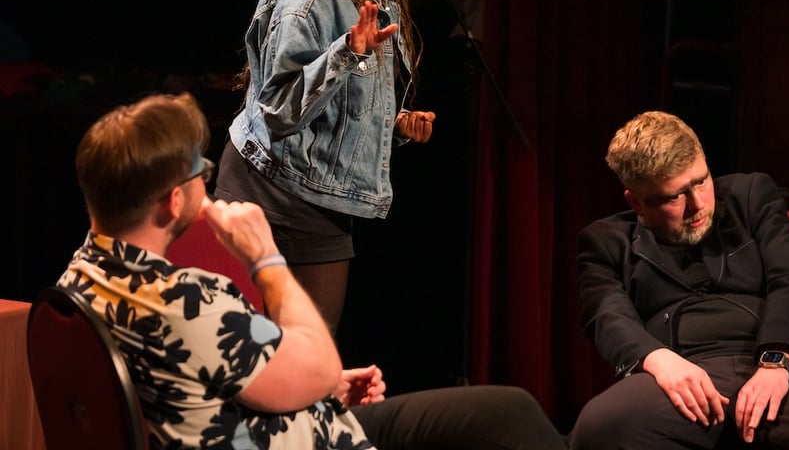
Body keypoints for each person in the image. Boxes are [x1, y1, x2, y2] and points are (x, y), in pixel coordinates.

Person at [57, 91, 570, 449]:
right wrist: (265, 258)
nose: (208, 183)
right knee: (511, 412)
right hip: (301, 440)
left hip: (275, 418)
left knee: (500, 414)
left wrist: (312, 384)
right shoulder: (189, 299)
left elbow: (204, 383)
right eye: (201, 173)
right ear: (173, 202)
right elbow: (320, 364)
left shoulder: (78, 279)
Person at [215, 0, 436, 335]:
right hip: (275, 193)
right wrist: (346, 51)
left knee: (295, 358)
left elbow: (339, 99)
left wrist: (392, 121)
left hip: (307, 191)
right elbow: (278, 111)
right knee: (288, 357)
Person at [568, 111, 789, 449]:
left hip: (769, 359)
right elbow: (607, 314)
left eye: (701, 181)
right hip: (678, 374)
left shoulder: (750, 196)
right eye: (675, 196)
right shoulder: (605, 241)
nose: (699, 205)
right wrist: (660, 361)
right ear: (637, 203)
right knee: (600, 430)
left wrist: (776, 363)